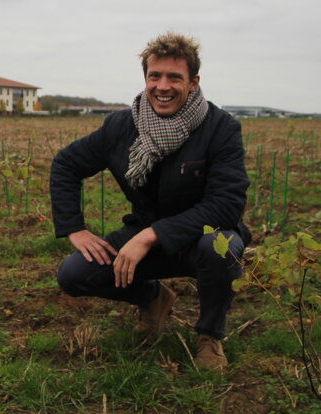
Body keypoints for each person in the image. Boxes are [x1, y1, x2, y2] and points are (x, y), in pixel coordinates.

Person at [50, 32, 251, 372]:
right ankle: (154, 299)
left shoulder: (220, 128)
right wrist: (74, 228)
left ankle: (209, 336)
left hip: (201, 237)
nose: (163, 86)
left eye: (175, 77)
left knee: (223, 247)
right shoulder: (121, 126)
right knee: (73, 274)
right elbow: (66, 164)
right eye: (155, 76)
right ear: (145, 78)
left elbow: (226, 205)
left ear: (193, 82)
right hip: (145, 234)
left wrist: (149, 236)